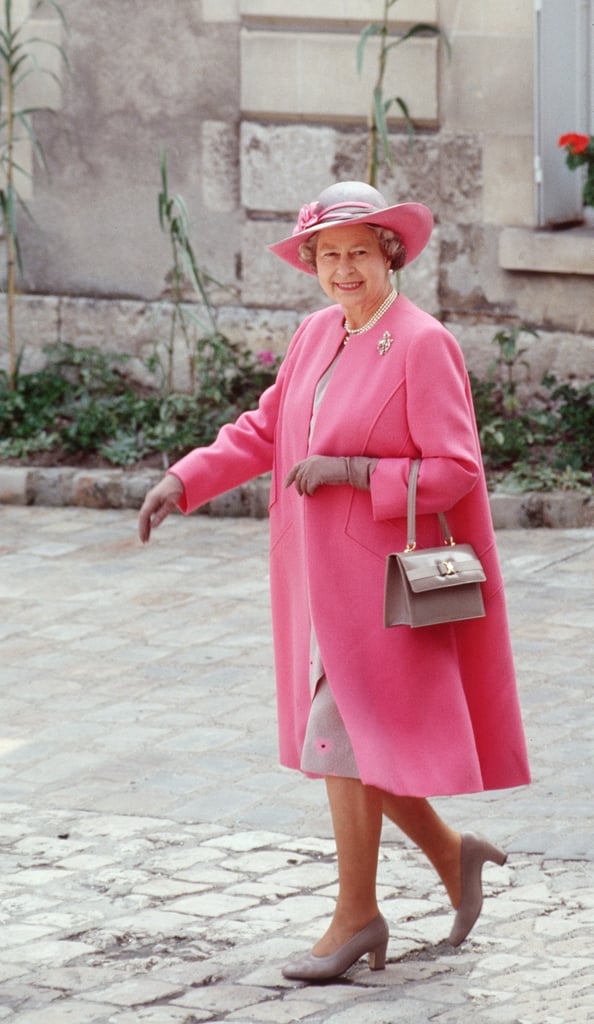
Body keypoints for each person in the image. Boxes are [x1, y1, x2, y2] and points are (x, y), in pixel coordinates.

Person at [138, 181, 530, 982]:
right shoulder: (317, 334)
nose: (344, 269)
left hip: (387, 589)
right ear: (312, 263)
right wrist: (187, 479)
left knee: (340, 738)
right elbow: (266, 426)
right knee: (358, 741)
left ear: (390, 253)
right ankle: (455, 857)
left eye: (359, 252)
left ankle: (357, 918)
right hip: (319, 584)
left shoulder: (423, 343)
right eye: (328, 255)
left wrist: (353, 470)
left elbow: (456, 470)